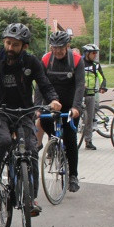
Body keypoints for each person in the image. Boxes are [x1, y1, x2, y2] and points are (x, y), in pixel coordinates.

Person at [0, 23, 61, 214]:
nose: (10, 48)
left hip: (24, 111)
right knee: (4, 140)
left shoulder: (32, 62)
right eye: (7, 43)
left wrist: (53, 99)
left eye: (15, 45)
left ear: (24, 46)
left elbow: (45, 84)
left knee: (31, 150)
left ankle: (32, 199)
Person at [36, 31, 85, 193]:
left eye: (61, 48)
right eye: (54, 48)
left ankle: (73, 176)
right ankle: (54, 140)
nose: (57, 51)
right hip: (51, 104)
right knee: (44, 121)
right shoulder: (45, 60)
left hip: (71, 106)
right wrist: (38, 107)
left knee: (70, 138)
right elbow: (40, 85)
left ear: (68, 46)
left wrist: (76, 107)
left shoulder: (77, 60)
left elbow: (79, 86)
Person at [81, 44, 108, 150]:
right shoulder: (79, 63)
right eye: (93, 53)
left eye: (96, 53)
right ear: (87, 53)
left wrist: (103, 86)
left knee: (89, 119)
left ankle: (88, 141)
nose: (95, 55)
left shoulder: (96, 65)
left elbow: (102, 77)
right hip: (79, 94)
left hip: (90, 94)